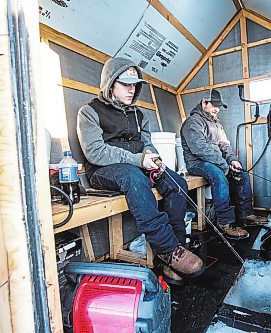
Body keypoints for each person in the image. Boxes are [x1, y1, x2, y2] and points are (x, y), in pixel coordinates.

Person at [77, 57, 204, 285]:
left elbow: (147, 143)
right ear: (110, 84)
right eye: (125, 84)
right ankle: (166, 249)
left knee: (178, 183)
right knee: (135, 178)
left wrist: (153, 157)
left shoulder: (139, 115)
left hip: (136, 165)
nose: (131, 89)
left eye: (134, 84)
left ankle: (174, 254)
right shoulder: (89, 112)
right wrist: (139, 160)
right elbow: (95, 152)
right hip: (103, 171)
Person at [180, 89, 268, 240]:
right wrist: (224, 166)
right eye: (214, 105)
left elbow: (225, 145)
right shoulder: (193, 122)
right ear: (204, 103)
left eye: (219, 106)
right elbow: (200, 149)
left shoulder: (216, 124)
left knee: (242, 173)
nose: (217, 109)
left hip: (216, 161)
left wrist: (232, 161)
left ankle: (246, 214)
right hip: (197, 163)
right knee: (219, 176)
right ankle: (225, 222)